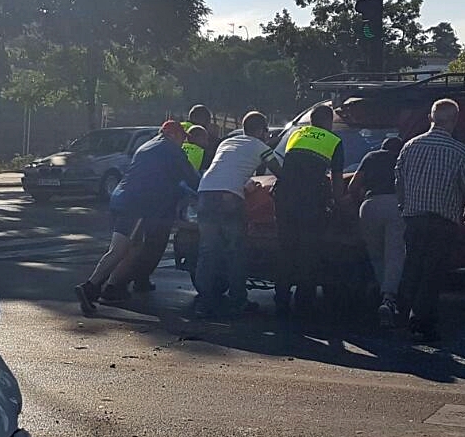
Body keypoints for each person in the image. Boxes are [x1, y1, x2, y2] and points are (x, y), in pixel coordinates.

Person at [75, 121, 199, 315]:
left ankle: (112, 286)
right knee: (119, 249)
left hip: (124, 198)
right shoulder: (170, 149)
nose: (183, 141)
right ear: (170, 133)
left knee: (135, 247)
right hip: (137, 205)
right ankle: (90, 287)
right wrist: (205, 192)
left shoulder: (148, 146)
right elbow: (190, 178)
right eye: (181, 136)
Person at [394, 98, 465, 344]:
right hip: (443, 220)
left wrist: (404, 204)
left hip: (414, 217)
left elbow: (398, 178)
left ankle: (400, 316)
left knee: (412, 268)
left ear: (431, 118)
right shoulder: (460, 151)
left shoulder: (410, 146)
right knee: (432, 273)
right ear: (455, 120)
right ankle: (422, 322)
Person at [191, 112, 281, 317]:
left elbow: (227, 169)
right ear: (261, 130)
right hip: (229, 199)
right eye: (265, 131)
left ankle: (204, 301)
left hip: (205, 192)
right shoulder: (260, 146)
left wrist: (246, 183)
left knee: (208, 250)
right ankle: (238, 300)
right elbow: (280, 172)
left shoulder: (227, 143)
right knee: (236, 251)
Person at [272, 103, 345, 315]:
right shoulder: (334, 141)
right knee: (309, 251)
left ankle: (282, 296)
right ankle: (304, 300)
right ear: (329, 122)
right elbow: (337, 180)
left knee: (286, 249)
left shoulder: (296, 133)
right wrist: (339, 204)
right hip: (310, 202)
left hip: (285, 198)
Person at [349, 135, 406, 324]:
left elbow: (353, 186)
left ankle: (384, 292)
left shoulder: (371, 157)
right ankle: (389, 297)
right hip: (395, 205)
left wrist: (360, 201)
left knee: (376, 254)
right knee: (395, 253)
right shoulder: (403, 158)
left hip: (370, 205)